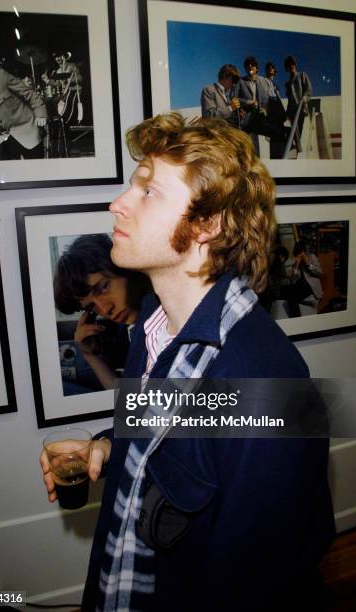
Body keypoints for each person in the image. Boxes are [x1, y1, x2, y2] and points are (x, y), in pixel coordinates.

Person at [41, 113, 335, 611]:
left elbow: (254, 587)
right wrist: (108, 449)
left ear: (207, 224)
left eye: (149, 191)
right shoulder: (154, 325)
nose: (118, 204)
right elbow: (174, 438)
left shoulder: (264, 381)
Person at [53, 233, 151, 390]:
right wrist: (89, 355)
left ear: (123, 267)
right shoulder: (131, 327)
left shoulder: (159, 316)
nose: (106, 309)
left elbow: (132, 403)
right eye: (91, 306)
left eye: (104, 287)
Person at [236, 56, 287, 156]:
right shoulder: (240, 82)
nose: (250, 67)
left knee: (278, 134)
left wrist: (266, 110)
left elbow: (272, 100)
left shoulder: (265, 82)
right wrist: (247, 102)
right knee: (251, 149)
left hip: (263, 117)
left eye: (252, 65)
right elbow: (234, 99)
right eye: (247, 65)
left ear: (257, 68)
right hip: (247, 119)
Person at [284, 55, 312, 151]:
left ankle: (299, 148)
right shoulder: (287, 84)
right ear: (287, 68)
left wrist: (305, 98)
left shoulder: (302, 75)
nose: (291, 66)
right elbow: (289, 99)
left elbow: (308, 90)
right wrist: (287, 113)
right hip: (292, 111)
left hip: (301, 108)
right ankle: (295, 147)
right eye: (289, 65)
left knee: (301, 129)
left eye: (292, 64)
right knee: (294, 130)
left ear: (295, 65)